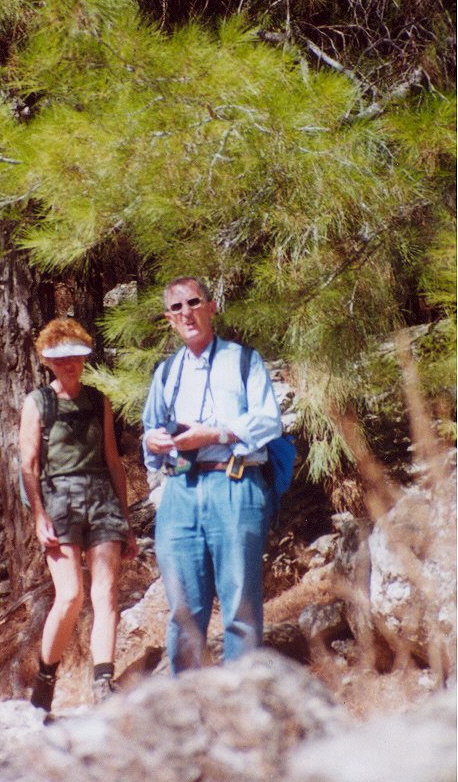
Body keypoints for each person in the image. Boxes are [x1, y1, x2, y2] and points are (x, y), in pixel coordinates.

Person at [142, 277, 282, 674]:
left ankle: (243, 698)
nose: (186, 313)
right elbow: (148, 431)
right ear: (169, 319)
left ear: (211, 307)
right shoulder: (166, 372)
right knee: (183, 609)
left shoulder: (243, 360)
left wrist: (215, 434)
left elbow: (269, 420)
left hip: (234, 483)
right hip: (180, 491)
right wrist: (153, 441)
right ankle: (187, 702)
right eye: (176, 308)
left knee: (240, 604)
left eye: (193, 303)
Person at [19, 318, 137, 713]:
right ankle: (45, 679)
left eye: (75, 357)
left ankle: (103, 682)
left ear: (84, 358)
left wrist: (126, 520)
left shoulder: (98, 400)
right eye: (60, 358)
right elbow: (28, 465)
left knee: (106, 592)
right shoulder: (37, 403)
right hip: (58, 500)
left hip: (101, 497)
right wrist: (39, 515)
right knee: (70, 595)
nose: (69, 364)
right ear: (48, 362)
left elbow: (113, 460)